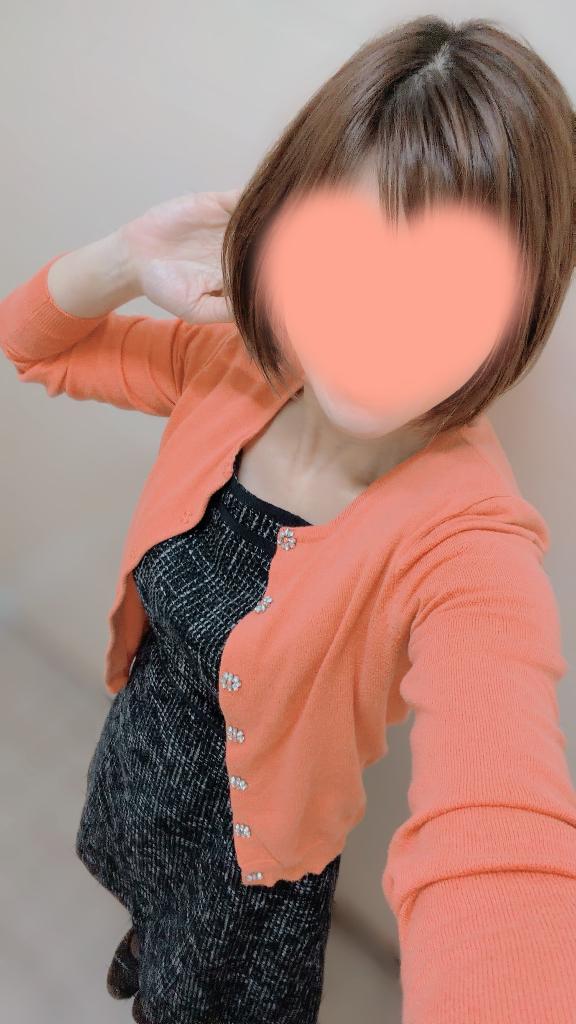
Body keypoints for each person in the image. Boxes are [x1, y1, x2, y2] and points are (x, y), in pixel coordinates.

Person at [1, 14, 575, 1024]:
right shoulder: (229, 369)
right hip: (140, 788)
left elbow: (501, 836)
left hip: (249, 892)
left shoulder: (466, 539)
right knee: (149, 930)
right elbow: (32, 343)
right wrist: (127, 258)